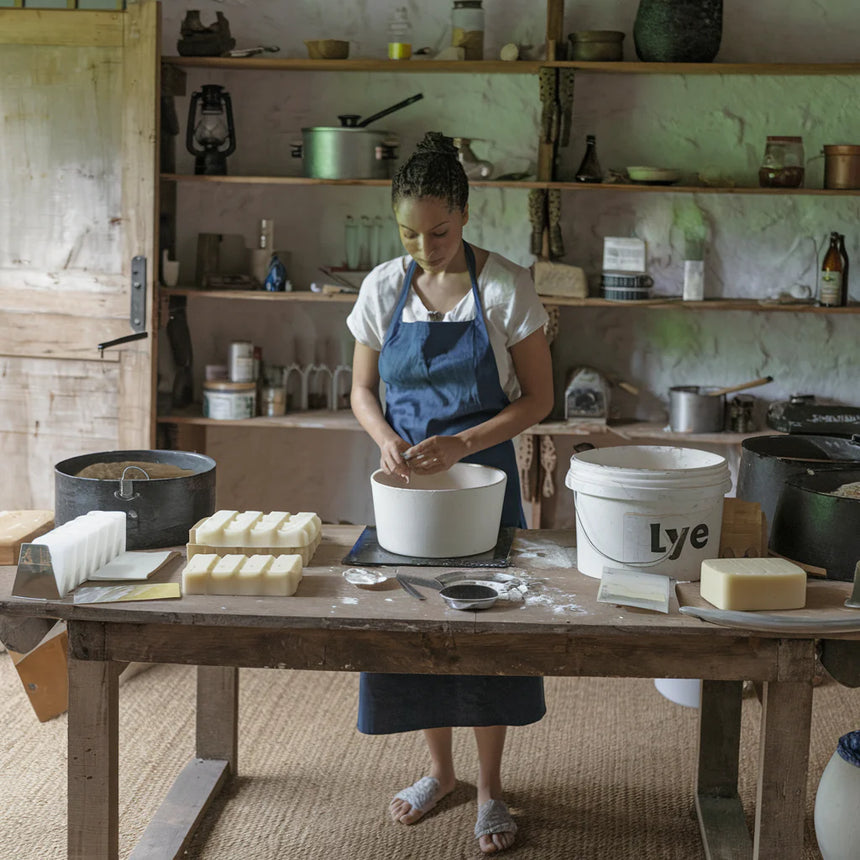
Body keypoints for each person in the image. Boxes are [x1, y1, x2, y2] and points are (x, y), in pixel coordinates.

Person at [346, 131, 553, 854]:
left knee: (483, 632)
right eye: (408, 232)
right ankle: (440, 773)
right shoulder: (381, 286)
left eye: (437, 231)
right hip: (404, 483)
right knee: (415, 627)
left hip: (482, 482)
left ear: (463, 215)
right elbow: (361, 390)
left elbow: (540, 399)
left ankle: (491, 786)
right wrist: (383, 440)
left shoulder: (505, 286)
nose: (424, 246)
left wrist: (463, 442)